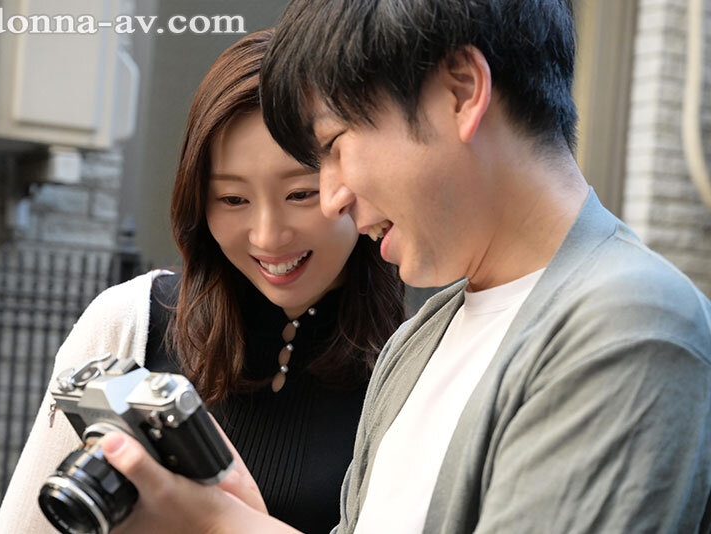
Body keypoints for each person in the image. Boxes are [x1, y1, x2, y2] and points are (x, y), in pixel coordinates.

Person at [95, 0, 711, 532]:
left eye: (334, 145)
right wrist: (232, 515)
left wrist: (218, 524)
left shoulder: (632, 326)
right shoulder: (423, 337)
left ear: (461, 91)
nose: (332, 197)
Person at [0, 29, 405, 534]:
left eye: (300, 193)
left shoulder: (412, 365)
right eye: (233, 199)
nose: (267, 236)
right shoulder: (129, 323)